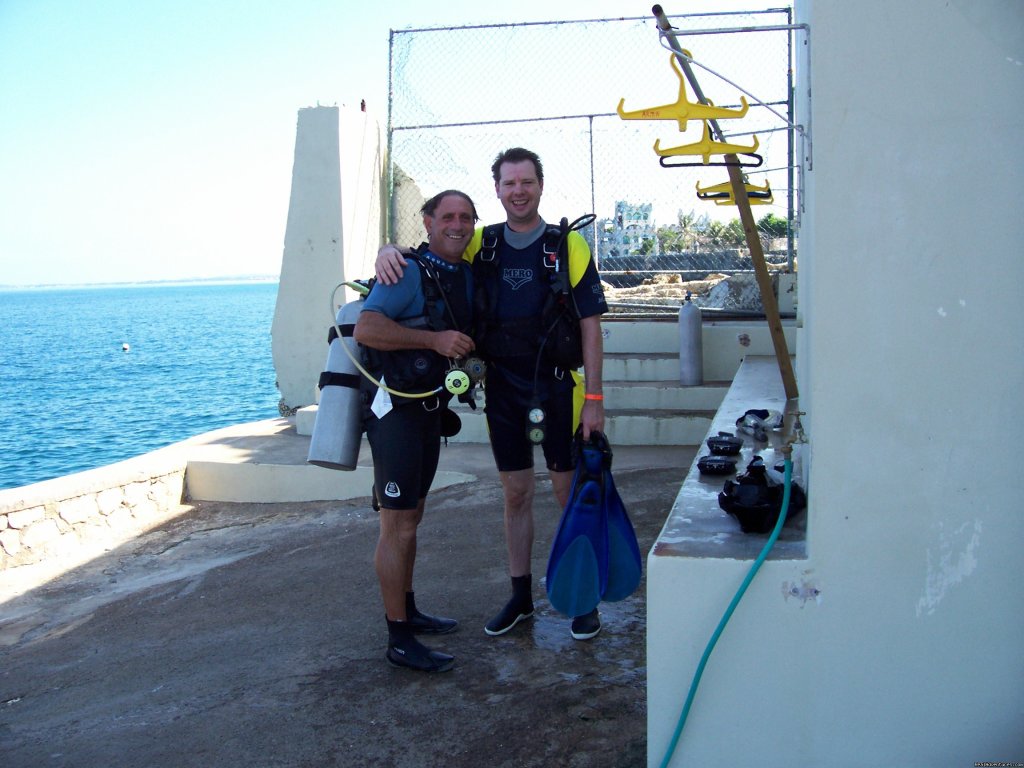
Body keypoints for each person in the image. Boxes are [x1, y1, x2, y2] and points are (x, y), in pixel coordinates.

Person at [376, 148, 609, 641]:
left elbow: (591, 326)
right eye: (509, 184)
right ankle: (521, 596)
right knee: (516, 494)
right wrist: (386, 249)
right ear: (498, 191)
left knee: (570, 496)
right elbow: (434, 251)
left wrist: (595, 400)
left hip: (559, 387)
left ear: (540, 186)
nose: (518, 191)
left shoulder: (566, 245)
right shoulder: (483, 243)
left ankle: (582, 598)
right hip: (503, 388)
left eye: (527, 182)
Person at [354, 189, 478, 672]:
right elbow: (366, 327)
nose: (457, 224)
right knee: (397, 523)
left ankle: (408, 609)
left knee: (414, 517)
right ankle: (398, 637)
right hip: (395, 414)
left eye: (466, 217)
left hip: (427, 409)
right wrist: (434, 339)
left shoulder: (461, 272)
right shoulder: (404, 271)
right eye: (447, 216)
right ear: (427, 222)